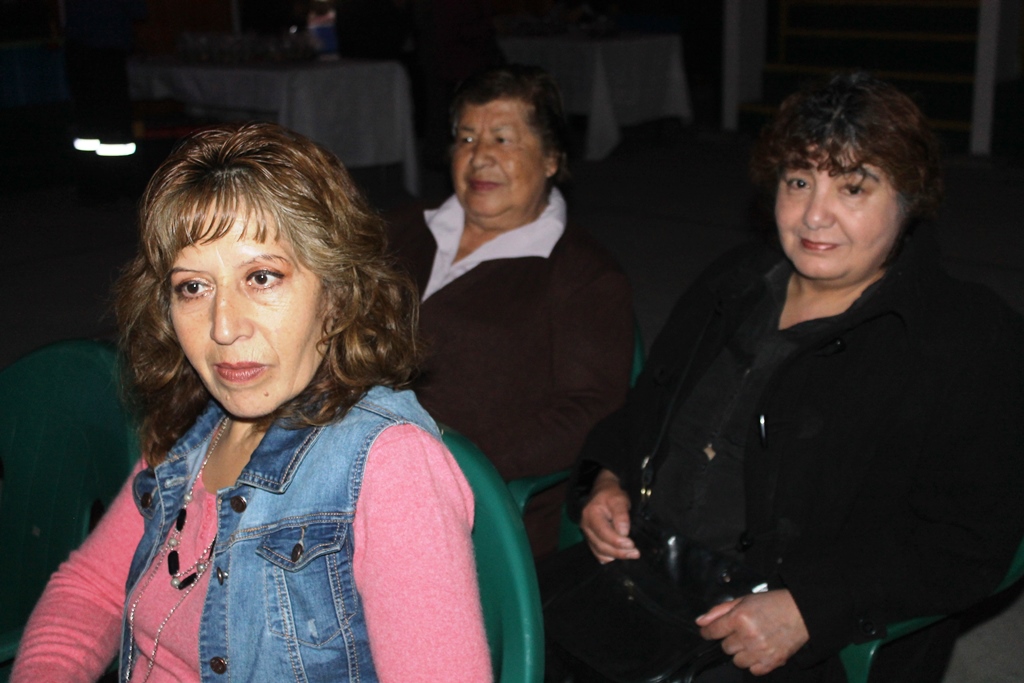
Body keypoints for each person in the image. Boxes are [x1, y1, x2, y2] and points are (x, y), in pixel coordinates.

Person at [557, 71, 1024, 682]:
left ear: (908, 201)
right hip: (644, 573)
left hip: (782, 628)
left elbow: (971, 539)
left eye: (853, 188)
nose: (814, 216)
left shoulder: (964, 337)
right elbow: (646, 410)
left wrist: (810, 608)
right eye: (799, 182)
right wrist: (607, 477)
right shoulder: (735, 282)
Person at [12, 122, 491, 682]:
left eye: (262, 277)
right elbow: (90, 588)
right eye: (193, 287)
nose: (223, 327)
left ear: (337, 295)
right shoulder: (197, 429)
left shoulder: (389, 466)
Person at [388, 64, 633, 559]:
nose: (479, 157)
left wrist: (452, 460)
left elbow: (590, 411)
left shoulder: (580, 274)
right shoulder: (402, 229)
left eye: (502, 139)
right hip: (351, 460)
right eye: (466, 138)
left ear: (551, 158)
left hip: (470, 506)